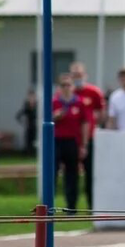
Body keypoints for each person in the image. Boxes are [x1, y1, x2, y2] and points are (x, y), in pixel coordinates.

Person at [70, 62, 105, 210]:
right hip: (71, 139)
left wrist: (95, 125)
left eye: (80, 75)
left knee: (90, 174)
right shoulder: (68, 93)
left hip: (89, 138)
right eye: (75, 76)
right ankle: (71, 208)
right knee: (71, 175)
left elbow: (101, 112)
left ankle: (92, 206)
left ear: (85, 75)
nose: (77, 78)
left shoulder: (93, 92)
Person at [51, 74, 86, 213]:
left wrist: (83, 144)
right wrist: (56, 116)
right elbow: (46, 120)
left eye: (68, 85)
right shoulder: (54, 102)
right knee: (52, 173)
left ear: (72, 87)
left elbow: (84, 123)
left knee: (72, 175)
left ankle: (71, 207)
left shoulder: (79, 102)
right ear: (59, 88)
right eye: (63, 85)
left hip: (72, 141)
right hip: (57, 140)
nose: (66, 88)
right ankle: (49, 207)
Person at [15, 89, 37, 155]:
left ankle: (34, 153)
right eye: (30, 96)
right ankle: (28, 153)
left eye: (32, 96)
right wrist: (23, 123)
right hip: (29, 126)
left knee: (35, 140)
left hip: (36, 126)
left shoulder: (37, 105)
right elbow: (19, 115)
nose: (31, 97)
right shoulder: (26, 105)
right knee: (28, 140)